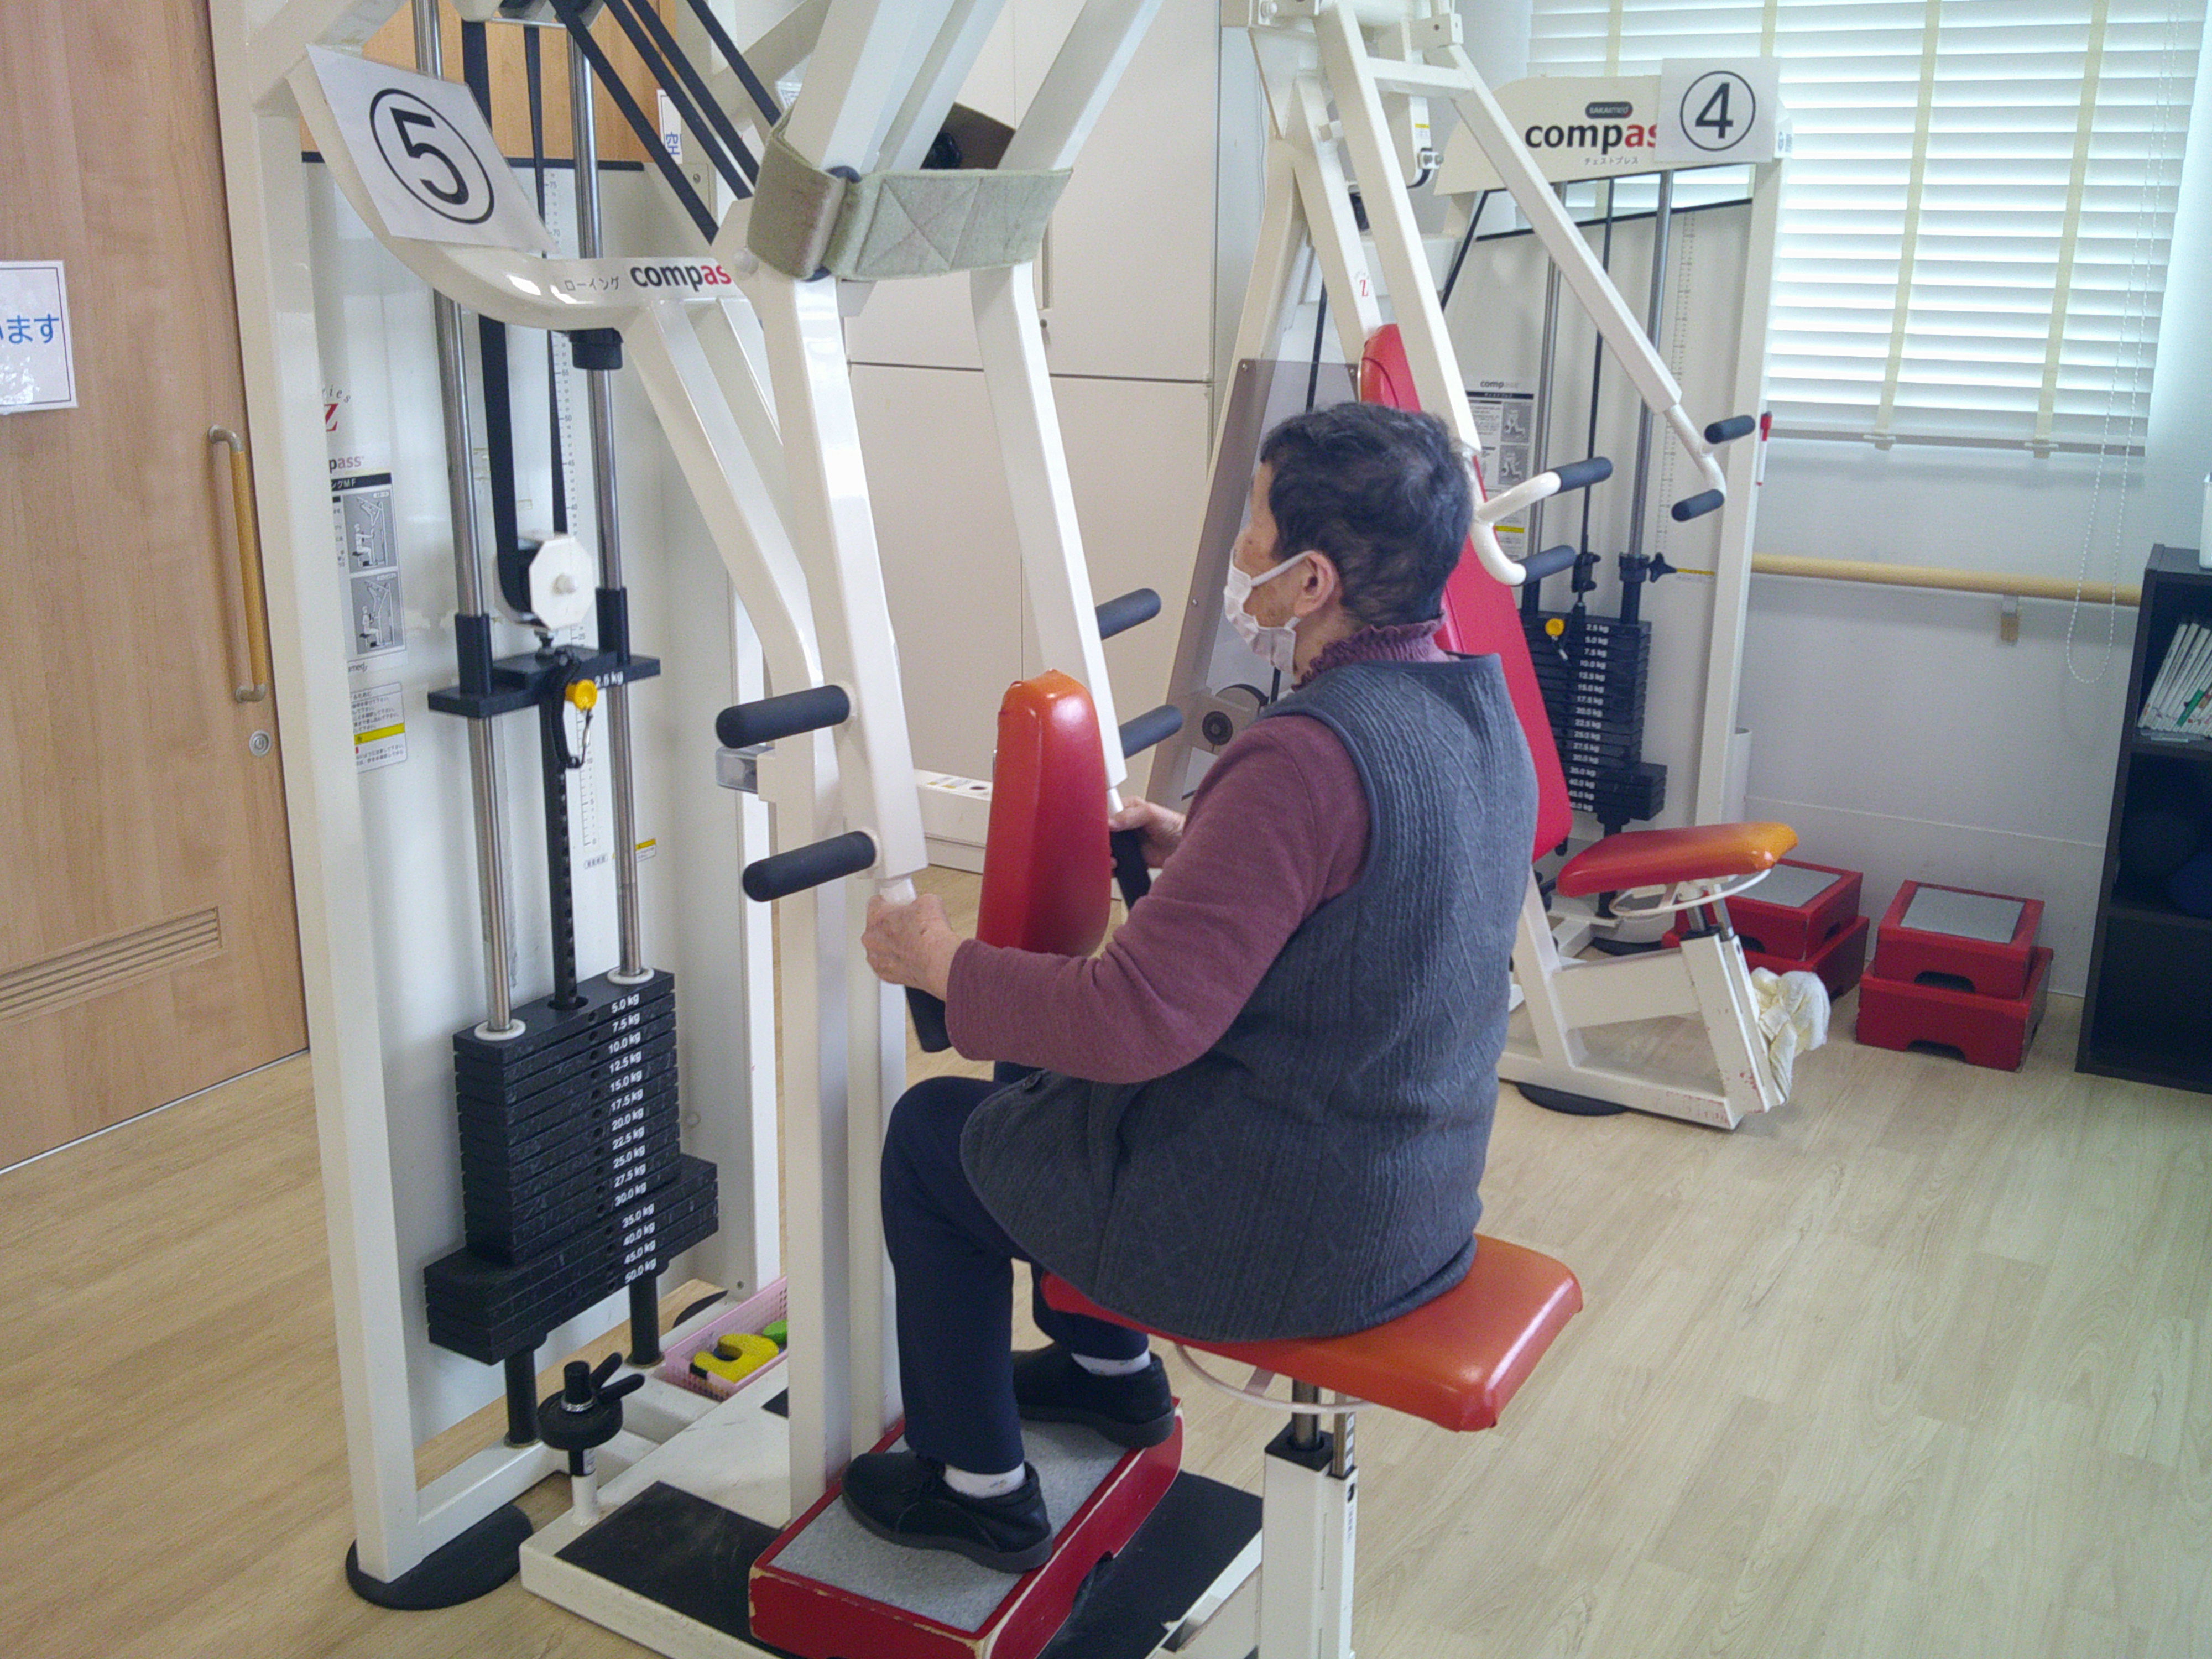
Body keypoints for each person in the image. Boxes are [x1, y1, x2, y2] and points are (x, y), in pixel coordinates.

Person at [845, 401, 1537, 1572]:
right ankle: (1107, 1377)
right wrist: (1203, 844)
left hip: (1284, 1242)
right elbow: (1379, 900)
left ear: (1311, 581)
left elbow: (1134, 1022)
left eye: (1256, 531)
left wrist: (939, 963)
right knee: (1039, 1085)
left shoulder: (1304, 755)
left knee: (932, 1136)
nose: (1239, 554)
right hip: (1412, 1208)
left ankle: (975, 1489)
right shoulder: (1480, 708)